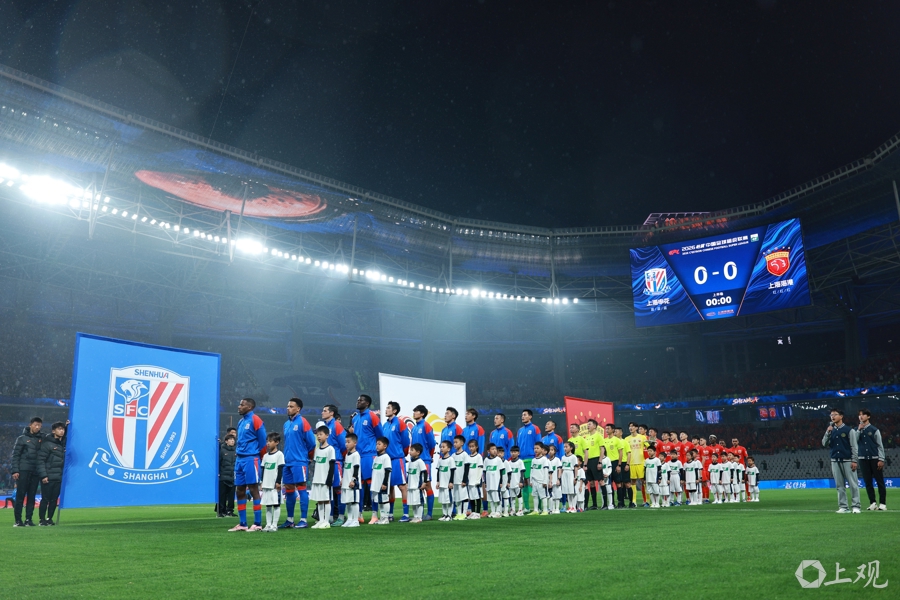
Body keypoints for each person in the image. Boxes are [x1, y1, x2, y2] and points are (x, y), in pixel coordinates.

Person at [229, 398, 267, 532]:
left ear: (250, 407)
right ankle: (243, 523)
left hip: (251, 458)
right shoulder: (241, 421)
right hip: (240, 459)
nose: (239, 406)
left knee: (253, 489)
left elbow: (263, 441)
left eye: (242, 405)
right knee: (239, 490)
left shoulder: (256, 420)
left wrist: (259, 456)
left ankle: (257, 523)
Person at [280, 397, 316, 529]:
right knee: (289, 490)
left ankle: (303, 519)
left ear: (298, 409)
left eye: (291, 406)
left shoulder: (303, 422)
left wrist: (307, 457)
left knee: (301, 488)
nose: (288, 408)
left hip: (299, 461)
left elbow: (312, 443)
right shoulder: (286, 424)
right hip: (287, 461)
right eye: (287, 406)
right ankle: (290, 520)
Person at [350, 394, 384, 516]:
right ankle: (359, 514)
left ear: (367, 403)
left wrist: (377, 451)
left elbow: (380, 435)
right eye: (358, 400)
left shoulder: (372, 416)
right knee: (358, 484)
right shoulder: (355, 418)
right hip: (357, 455)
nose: (358, 401)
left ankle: (374, 514)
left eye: (361, 400)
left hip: (369, 455)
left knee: (371, 484)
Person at [823, 408, 861, 514]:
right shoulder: (830, 430)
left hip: (847, 460)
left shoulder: (849, 430)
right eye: (831, 415)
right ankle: (843, 507)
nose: (832, 417)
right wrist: (827, 432)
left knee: (853, 484)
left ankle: (856, 506)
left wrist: (854, 460)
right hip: (835, 460)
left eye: (835, 414)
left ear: (841, 416)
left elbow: (854, 447)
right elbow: (824, 443)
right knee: (839, 485)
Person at [11, 417, 43, 527]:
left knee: (32, 496)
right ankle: (18, 520)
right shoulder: (22, 439)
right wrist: (15, 470)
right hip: (23, 470)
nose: (37, 427)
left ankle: (28, 519)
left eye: (39, 425)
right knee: (20, 496)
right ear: (30, 425)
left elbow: (55, 438)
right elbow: (16, 455)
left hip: (35, 471)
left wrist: (66, 426)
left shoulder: (42, 438)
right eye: (35, 425)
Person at [383, 401, 410, 522]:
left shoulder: (400, 423)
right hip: (387, 460)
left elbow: (405, 442)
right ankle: (390, 513)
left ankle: (406, 514)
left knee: (402, 486)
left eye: (388, 408)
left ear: (394, 411)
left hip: (397, 459)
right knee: (389, 487)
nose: (386, 410)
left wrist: (401, 453)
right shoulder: (385, 425)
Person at [320, 404, 347, 526]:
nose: (322, 412)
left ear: (331, 413)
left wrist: (341, 459)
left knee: (338, 489)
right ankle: (330, 517)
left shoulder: (336, 425)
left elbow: (344, 445)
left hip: (336, 462)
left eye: (325, 410)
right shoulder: (323, 426)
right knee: (328, 489)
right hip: (325, 463)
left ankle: (341, 517)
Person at [36, 421, 66, 526]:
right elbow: (40, 461)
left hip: (58, 477)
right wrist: (43, 475)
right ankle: (42, 519)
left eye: (63, 429)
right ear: (53, 431)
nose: (62, 431)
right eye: (59, 429)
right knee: (45, 499)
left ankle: (49, 519)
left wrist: (68, 426)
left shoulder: (63, 445)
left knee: (54, 500)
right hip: (48, 477)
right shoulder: (47, 444)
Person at [857, 409, 887, 511]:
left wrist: (881, 459)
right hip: (862, 459)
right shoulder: (856, 430)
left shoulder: (874, 430)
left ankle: (882, 503)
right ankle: (872, 503)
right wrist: (858, 430)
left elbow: (880, 445)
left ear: (868, 416)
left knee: (880, 481)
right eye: (859, 415)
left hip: (875, 459)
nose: (861, 416)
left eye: (863, 414)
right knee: (868, 482)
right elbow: (854, 441)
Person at [410, 405, 436, 520]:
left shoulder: (426, 426)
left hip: (425, 460)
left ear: (422, 414)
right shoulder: (414, 428)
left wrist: (429, 456)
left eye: (416, 411)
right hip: (415, 460)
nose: (414, 413)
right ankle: (420, 513)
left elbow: (432, 444)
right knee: (418, 486)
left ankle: (429, 514)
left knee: (427, 485)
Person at [310, 426, 337, 529]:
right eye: (317, 435)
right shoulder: (317, 450)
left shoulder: (330, 449)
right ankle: (321, 520)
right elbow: (316, 464)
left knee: (326, 500)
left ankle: (326, 521)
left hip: (325, 479)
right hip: (317, 479)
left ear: (327, 435)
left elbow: (332, 465)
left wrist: (329, 479)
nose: (319, 436)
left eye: (321, 434)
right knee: (320, 500)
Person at [516, 410, 542, 512]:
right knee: (524, 483)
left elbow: (539, 444)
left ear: (530, 416)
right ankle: (526, 507)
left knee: (535, 483)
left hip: (532, 459)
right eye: (522, 415)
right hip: (522, 460)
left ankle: (539, 507)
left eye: (525, 415)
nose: (522, 416)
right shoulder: (520, 430)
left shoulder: (535, 428)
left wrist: (537, 457)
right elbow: (517, 445)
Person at [260, 433, 285, 532]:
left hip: (274, 485)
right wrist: (262, 482)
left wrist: (278, 482)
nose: (268, 443)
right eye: (267, 441)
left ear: (277, 442)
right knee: (268, 505)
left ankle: (274, 525)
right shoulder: (265, 456)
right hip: (266, 484)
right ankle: (268, 524)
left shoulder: (279, 454)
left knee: (276, 504)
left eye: (270, 441)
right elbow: (263, 470)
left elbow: (280, 469)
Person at [624, 422, 647, 508]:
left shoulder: (642, 437)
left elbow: (648, 447)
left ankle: (647, 500)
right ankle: (633, 501)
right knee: (632, 482)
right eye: (629, 426)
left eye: (632, 426)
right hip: (631, 463)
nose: (631, 428)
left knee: (643, 481)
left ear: (636, 428)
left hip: (641, 462)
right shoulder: (626, 439)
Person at [340, 433, 361, 527]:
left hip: (352, 483)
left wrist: (353, 480)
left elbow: (356, 468)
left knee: (354, 501)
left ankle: (356, 520)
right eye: (346, 442)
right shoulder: (347, 455)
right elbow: (346, 468)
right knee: (348, 501)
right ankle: (349, 519)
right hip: (346, 482)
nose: (346, 444)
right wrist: (343, 478)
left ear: (355, 443)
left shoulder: (356, 455)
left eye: (348, 442)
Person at [582, 419, 604, 510]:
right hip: (588, 461)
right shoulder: (586, 438)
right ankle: (594, 504)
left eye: (590, 424)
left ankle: (605, 504)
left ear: (595, 426)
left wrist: (600, 462)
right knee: (591, 483)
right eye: (587, 424)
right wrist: (585, 464)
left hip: (596, 459)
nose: (588, 426)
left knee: (601, 481)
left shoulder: (598, 436)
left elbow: (602, 449)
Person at [370, 437, 392, 525]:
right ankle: (382, 517)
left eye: (379, 444)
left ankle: (385, 518)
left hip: (382, 484)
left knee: (384, 500)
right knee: (380, 501)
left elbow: (387, 470)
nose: (377, 446)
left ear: (385, 446)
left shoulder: (386, 457)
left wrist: (385, 483)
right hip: (376, 484)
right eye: (376, 444)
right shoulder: (376, 458)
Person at [406, 443, 429, 523]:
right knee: (413, 502)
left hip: (417, 487)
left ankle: (419, 517)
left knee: (419, 502)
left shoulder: (420, 461)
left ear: (418, 452)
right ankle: (415, 516)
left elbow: (425, 472)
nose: (410, 452)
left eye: (412, 450)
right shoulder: (410, 462)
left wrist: (424, 482)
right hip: (410, 486)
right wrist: (407, 483)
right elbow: (408, 474)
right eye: (410, 450)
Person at [449, 435, 469, 521]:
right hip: (455, 481)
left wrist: (464, 480)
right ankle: (459, 513)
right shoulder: (453, 455)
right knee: (457, 498)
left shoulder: (465, 455)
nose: (454, 444)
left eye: (456, 442)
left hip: (461, 481)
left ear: (462, 443)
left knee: (464, 497)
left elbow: (467, 468)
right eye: (454, 442)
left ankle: (464, 513)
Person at [483, 443, 505, 518]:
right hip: (489, 483)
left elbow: (501, 471)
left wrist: (501, 482)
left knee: (497, 497)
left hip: (496, 482)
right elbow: (485, 471)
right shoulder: (486, 460)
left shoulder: (498, 459)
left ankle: (498, 511)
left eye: (495, 449)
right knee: (491, 498)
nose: (495, 450)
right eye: (492, 449)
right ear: (488, 451)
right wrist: (485, 482)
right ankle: (493, 511)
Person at [464, 439, 484, 519]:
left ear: (476, 447)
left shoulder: (479, 457)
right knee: (471, 497)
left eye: (473, 446)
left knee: (478, 497)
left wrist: (478, 480)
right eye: (470, 447)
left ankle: (478, 513)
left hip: (476, 481)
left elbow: (480, 469)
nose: (471, 448)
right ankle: (473, 512)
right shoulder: (468, 457)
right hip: (470, 481)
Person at [217, 434, 236, 517]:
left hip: (233, 477)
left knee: (231, 496)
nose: (232, 441)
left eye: (233, 439)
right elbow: (218, 463)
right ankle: (221, 511)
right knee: (222, 495)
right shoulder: (222, 451)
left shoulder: (236, 451)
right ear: (226, 441)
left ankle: (230, 511)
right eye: (230, 439)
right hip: (223, 476)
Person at [528, 443, 550, 516]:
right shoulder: (533, 460)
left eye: (537, 448)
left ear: (542, 449)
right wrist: (531, 481)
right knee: (535, 496)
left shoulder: (544, 459)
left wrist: (545, 481)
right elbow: (531, 471)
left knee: (543, 496)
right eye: (535, 448)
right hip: (534, 481)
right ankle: (535, 510)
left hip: (541, 481)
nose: (536, 450)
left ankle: (545, 510)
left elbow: (546, 471)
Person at [435, 440, 454, 521]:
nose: (441, 448)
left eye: (443, 447)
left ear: (448, 449)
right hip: (442, 484)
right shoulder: (440, 460)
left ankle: (449, 515)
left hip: (447, 484)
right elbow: (438, 471)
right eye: (441, 447)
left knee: (449, 500)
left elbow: (452, 471)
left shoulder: (451, 459)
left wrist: (451, 482)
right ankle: (444, 514)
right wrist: (438, 482)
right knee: (443, 500)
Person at [505, 446, 525, 517]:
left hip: (517, 483)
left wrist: (521, 482)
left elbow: (522, 472)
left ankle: (520, 510)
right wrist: (508, 482)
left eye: (515, 452)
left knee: (519, 496)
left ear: (518, 453)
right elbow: (508, 474)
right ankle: (512, 510)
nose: (513, 453)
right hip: (511, 483)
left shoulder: (520, 462)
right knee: (512, 497)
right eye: (512, 452)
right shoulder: (509, 462)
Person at [560, 442, 578, 514]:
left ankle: (574, 507)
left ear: (571, 448)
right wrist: (560, 477)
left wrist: (575, 477)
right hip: (564, 474)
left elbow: (575, 468)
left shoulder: (573, 457)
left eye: (566, 447)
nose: (565, 448)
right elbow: (561, 468)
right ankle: (570, 506)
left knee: (572, 491)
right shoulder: (563, 457)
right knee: (567, 491)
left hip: (570, 473)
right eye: (564, 447)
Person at [644, 444, 662, 508]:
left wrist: (659, 478)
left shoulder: (657, 460)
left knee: (656, 491)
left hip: (654, 479)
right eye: (648, 451)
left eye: (651, 451)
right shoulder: (646, 460)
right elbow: (645, 470)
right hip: (648, 479)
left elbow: (659, 469)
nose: (649, 452)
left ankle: (657, 503)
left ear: (654, 452)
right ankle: (653, 503)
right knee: (650, 491)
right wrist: (644, 479)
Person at [547, 444, 562, 514]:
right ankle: (552, 508)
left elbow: (559, 470)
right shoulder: (546, 461)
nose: (550, 451)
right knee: (551, 495)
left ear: (555, 451)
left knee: (557, 495)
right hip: (549, 481)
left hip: (556, 480)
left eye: (552, 450)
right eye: (549, 450)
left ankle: (557, 508)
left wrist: (559, 479)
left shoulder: (557, 460)